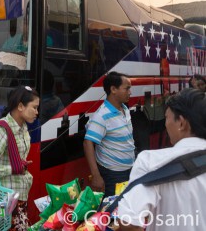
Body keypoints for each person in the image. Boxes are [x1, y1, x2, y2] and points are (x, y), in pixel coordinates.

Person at [118, 88, 206, 231]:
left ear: (182, 123)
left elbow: (130, 222)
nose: (165, 124)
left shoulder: (150, 162)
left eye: (166, 118)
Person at [0, 85, 40, 231]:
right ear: (20, 106)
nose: (37, 112)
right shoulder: (0, 131)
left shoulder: (23, 127)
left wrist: (20, 164)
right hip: (1, 200)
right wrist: (13, 168)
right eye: (34, 107)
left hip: (19, 197)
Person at [83, 71, 134, 196]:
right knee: (113, 212)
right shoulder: (101, 116)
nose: (130, 92)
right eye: (127, 89)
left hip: (129, 170)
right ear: (113, 89)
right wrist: (96, 175)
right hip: (113, 175)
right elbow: (87, 143)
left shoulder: (125, 109)